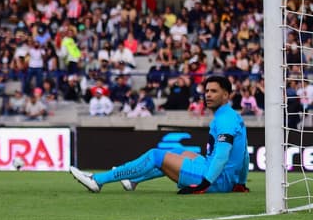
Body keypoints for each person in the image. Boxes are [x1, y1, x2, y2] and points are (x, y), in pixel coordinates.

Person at [70, 75, 249, 194]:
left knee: (156, 155)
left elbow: (222, 155)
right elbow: (244, 155)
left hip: (215, 180)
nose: (208, 95)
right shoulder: (232, 116)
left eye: (214, 91)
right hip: (225, 178)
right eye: (207, 91)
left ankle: (97, 180)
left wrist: (204, 184)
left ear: (226, 95)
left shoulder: (224, 120)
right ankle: (133, 179)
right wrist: (240, 183)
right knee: (184, 153)